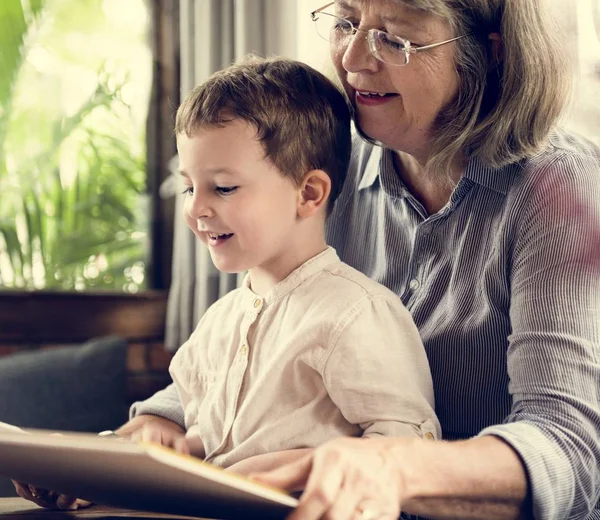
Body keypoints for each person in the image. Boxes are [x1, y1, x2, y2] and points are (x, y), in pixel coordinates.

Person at [16, 0, 600, 516]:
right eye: (346, 21)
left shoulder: (560, 189)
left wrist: (388, 468)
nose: (353, 61)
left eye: (395, 36)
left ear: (488, 54)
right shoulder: (327, 169)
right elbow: (258, 345)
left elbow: (569, 450)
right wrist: (154, 428)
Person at [13, 56, 440, 507]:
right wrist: (95, 469)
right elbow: (202, 435)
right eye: (188, 187)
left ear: (309, 193)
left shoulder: (355, 314)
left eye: (223, 188)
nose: (196, 209)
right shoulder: (221, 321)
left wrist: (311, 471)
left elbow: (412, 448)